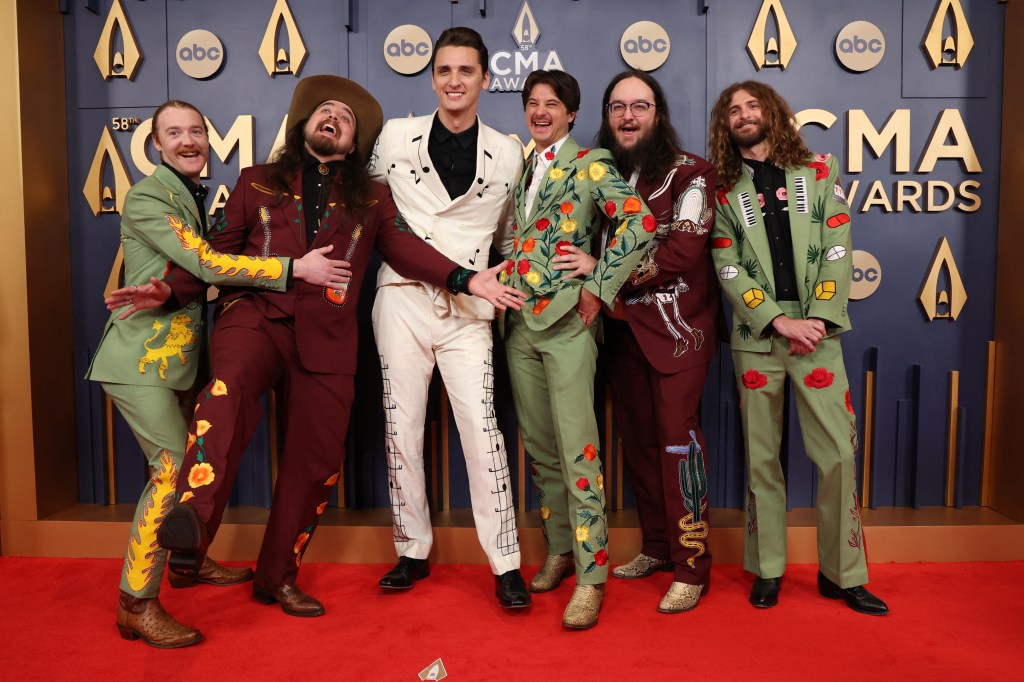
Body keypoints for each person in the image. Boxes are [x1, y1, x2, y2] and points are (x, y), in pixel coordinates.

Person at [129, 76, 523, 625]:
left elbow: (408, 250)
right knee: (229, 388)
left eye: (345, 117)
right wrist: (169, 289)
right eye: (324, 112)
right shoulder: (256, 181)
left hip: (329, 340)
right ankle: (191, 524)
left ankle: (277, 578)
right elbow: (211, 254)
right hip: (257, 317)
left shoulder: (371, 199)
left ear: (355, 143)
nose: (333, 118)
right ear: (304, 125)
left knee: (315, 460)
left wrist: (466, 278)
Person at [89, 100, 348, 647]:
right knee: (173, 470)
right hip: (141, 361)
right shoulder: (148, 195)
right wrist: (292, 268)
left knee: (211, 446)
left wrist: (167, 286)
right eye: (174, 133)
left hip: (180, 363)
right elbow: (208, 265)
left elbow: (191, 267)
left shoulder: (190, 195)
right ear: (155, 145)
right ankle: (136, 603)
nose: (188, 141)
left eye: (196, 132)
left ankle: (193, 559)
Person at [708, 80, 888, 615]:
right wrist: (776, 320)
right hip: (758, 340)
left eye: (752, 105)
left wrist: (814, 318)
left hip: (818, 334)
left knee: (837, 454)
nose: (743, 115)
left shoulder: (819, 169)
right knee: (762, 460)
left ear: (773, 112)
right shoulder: (721, 188)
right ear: (726, 125)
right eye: (733, 110)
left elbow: (838, 242)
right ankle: (767, 570)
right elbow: (727, 263)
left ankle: (843, 574)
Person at [367, 27, 529, 608]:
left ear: (486, 79)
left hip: (471, 307)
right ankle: (412, 550)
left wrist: (494, 279)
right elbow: (380, 224)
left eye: (465, 71)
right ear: (431, 77)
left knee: (483, 432)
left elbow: (508, 235)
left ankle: (505, 562)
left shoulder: (510, 152)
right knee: (401, 427)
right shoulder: (394, 137)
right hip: (403, 296)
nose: (454, 81)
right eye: (443, 71)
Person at [501, 69, 655, 629]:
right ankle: (561, 551)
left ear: (571, 114)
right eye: (533, 104)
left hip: (567, 325)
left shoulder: (592, 163)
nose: (541, 112)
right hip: (518, 325)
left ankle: (592, 577)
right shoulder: (524, 166)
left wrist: (598, 283)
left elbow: (639, 224)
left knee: (578, 454)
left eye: (552, 105)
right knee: (542, 452)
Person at [596, 71, 719, 613]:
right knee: (640, 445)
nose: (627, 116)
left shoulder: (692, 173)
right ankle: (656, 547)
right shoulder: (597, 175)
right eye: (618, 106)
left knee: (677, 445)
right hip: (619, 334)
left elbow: (680, 254)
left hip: (678, 334)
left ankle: (692, 565)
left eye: (639, 106)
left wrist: (601, 279)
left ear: (658, 114)